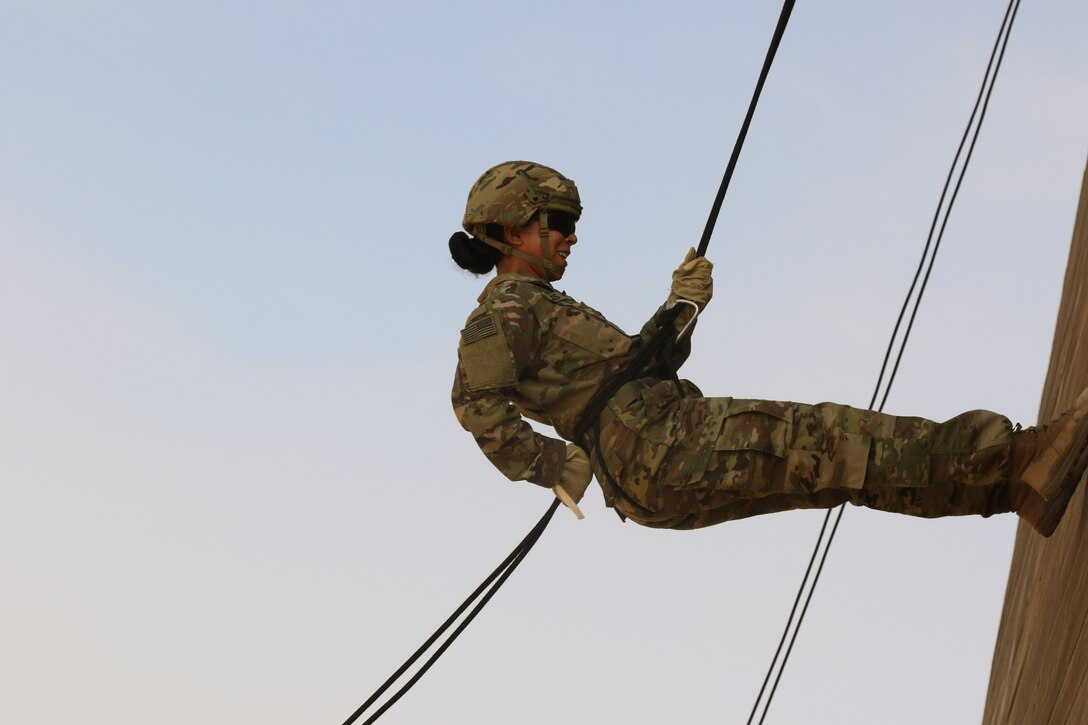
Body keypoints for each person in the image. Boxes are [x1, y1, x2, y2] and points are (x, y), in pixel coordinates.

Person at [450, 160, 1088, 537]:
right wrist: (549, 465)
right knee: (834, 439)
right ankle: (1026, 455)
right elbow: (472, 399)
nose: (570, 237)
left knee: (838, 474)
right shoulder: (506, 309)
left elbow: (634, 373)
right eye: (557, 224)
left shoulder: (539, 308)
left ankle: (1012, 489)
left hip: (646, 457)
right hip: (656, 441)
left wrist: (682, 305)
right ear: (511, 229)